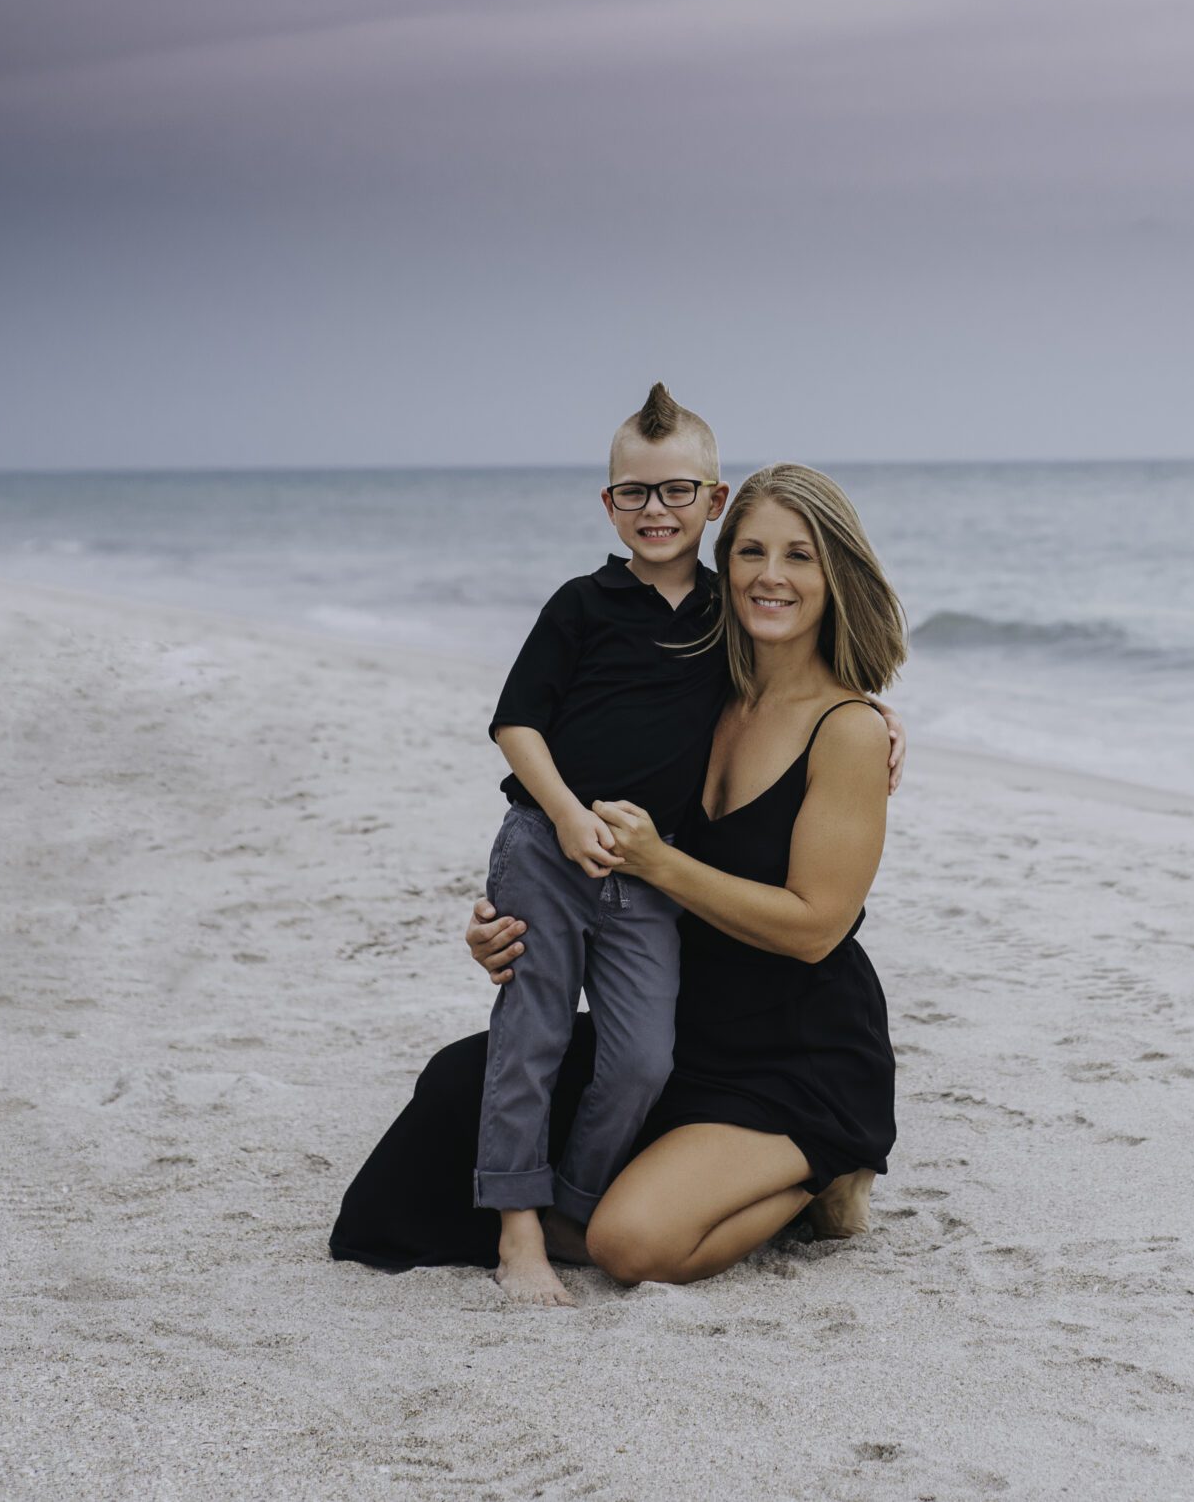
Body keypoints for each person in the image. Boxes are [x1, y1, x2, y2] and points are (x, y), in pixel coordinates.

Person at [328, 462, 904, 1291]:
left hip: (796, 1052)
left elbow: (816, 927)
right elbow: (562, 801)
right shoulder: (704, 689)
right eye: (750, 552)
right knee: (458, 1085)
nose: (770, 576)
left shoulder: (848, 730)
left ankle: (818, 1175)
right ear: (721, 560)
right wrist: (513, 925)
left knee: (629, 1243)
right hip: (682, 1030)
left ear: (836, 572)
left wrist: (661, 863)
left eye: (800, 556)